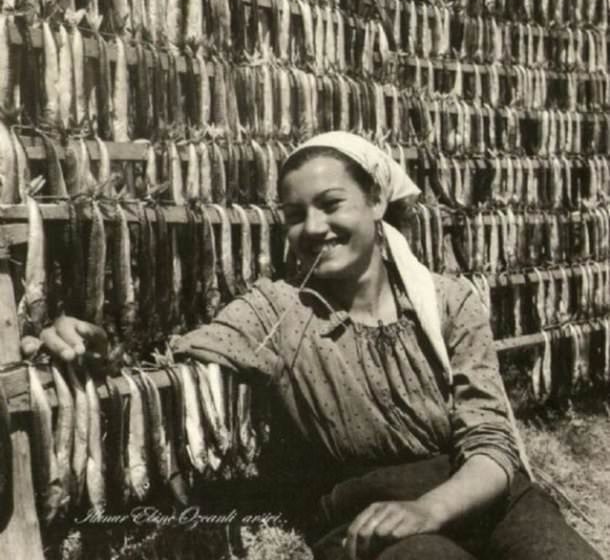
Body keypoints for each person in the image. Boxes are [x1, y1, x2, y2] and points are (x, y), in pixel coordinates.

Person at [42, 132, 601, 560]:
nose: (313, 227)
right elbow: (167, 365)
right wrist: (90, 344)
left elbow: (492, 444)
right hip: (365, 516)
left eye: (332, 203)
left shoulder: (449, 303)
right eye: (293, 215)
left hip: (479, 494)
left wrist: (430, 508)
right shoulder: (277, 313)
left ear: (377, 201)